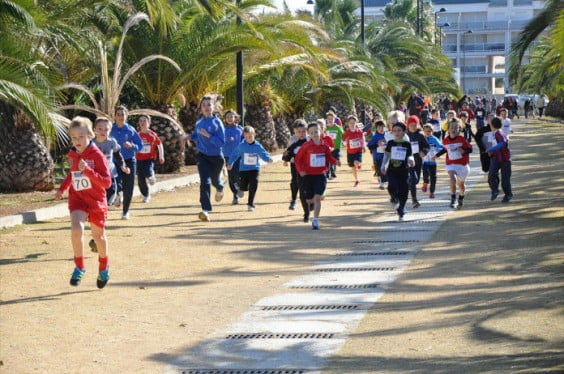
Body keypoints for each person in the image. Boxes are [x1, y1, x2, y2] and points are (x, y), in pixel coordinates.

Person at [55, 117, 112, 288]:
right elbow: (72, 174)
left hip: (96, 200)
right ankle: (79, 267)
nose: (77, 141)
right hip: (78, 198)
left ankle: (104, 267)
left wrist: (87, 171)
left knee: (99, 237)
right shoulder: (72, 154)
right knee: (76, 230)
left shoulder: (97, 156)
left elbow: (107, 183)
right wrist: (62, 188)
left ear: (90, 135)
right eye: (73, 137)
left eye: (80, 136)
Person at [90, 117, 130, 253]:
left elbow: (118, 155)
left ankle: (98, 235)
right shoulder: (90, 144)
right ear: (94, 130)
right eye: (100, 129)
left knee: (105, 206)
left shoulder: (112, 142)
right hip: (95, 180)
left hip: (110, 177)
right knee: (97, 209)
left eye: (106, 129)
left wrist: (123, 166)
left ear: (110, 130)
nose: (103, 131)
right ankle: (97, 237)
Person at [185, 95, 226, 222]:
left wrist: (208, 136)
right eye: (204, 105)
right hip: (202, 156)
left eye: (209, 105)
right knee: (205, 182)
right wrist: (188, 137)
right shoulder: (199, 122)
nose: (206, 107)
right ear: (201, 108)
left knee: (215, 181)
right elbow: (198, 136)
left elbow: (221, 142)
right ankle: (205, 210)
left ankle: (220, 186)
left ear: (213, 107)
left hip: (216, 157)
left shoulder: (217, 123)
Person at [294, 122, 339, 229]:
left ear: (321, 131)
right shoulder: (306, 146)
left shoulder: (325, 146)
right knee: (309, 199)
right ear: (309, 134)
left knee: (317, 197)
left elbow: (328, 157)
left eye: (316, 131)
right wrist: (300, 170)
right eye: (312, 132)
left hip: (321, 175)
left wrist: (335, 161)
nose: (315, 134)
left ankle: (315, 220)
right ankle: (311, 204)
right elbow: (297, 160)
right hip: (308, 175)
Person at [227, 126, 273, 211]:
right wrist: (230, 163)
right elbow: (234, 154)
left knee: (254, 184)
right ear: (244, 137)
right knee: (244, 187)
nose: (249, 139)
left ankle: (250, 203)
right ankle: (240, 188)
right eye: (247, 137)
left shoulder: (257, 146)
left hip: (254, 169)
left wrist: (268, 159)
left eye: (251, 136)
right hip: (244, 169)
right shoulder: (241, 146)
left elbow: (263, 153)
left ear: (254, 135)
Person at [110, 105, 143, 220]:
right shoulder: (110, 129)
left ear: (126, 116)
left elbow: (140, 145)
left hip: (129, 161)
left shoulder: (130, 130)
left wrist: (132, 145)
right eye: (118, 114)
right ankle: (117, 195)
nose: (120, 117)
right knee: (115, 183)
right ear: (114, 116)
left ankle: (125, 211)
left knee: (129, 187)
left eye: (123, 114)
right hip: (114, 162)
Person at [381, 122, 415, 220]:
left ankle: (401, 210)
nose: (397, 133)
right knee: (392, 187)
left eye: (399, 130)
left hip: (404, 170)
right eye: (395, 131)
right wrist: (383, 166)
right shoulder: (391, 143)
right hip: (392, 169)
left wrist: (411, 160)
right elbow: (386, 155)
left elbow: (410, 155)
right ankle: (394, 198)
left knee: (404, 191)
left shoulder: (407, 144)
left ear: (404, 132)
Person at [436, 119, 473, 209]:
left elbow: (470, 149)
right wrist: (436, 155)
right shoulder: (445, 140)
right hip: (451, 164)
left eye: (456, 128)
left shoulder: (462, 139)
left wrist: (464, 151)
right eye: (451, 127)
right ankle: (453, 199)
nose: (453, 129)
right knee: (452, 179)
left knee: (461, 185)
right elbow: (445, 149)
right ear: (448, 129)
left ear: (459, 129)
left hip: (463, 165)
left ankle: (461, 197)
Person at [282, 120, 309, 221]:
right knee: (299, 188)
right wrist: (285, 158)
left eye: (303, 131)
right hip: (297, 168)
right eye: (299, 131)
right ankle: (305, 213)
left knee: (311, 190)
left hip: (311, 170)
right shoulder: (294, 143)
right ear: (295, 132)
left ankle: (312, 204)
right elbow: (287, 153)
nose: (301, 134)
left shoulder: (311, 141)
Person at [136, 114, 164, 203]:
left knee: (147, 171)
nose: (142, 122)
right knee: (140, 179)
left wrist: (161, 156)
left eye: (145, 120)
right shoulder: (137, 135)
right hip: (139, 159)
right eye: (141, 121)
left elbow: (159, 145)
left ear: (149, 123)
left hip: (149, 158)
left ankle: (151, 176)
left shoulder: (152, 135)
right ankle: (146, 195)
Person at [487, 116, 513, 203]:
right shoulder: (492, 134)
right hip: (495, 158)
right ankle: (495, 190)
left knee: (505, 180)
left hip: (505, 159)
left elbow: (502, 143)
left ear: (492, 125)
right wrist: (490, 151)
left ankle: (508, 195)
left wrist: (491, 149)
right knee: (491, 176)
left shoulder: (500, 133)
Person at [406, 115, 430, 208]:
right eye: (411, 125)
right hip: (408, 161)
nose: (413, 127)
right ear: (408, 125)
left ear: (418, 125)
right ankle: (414, 200)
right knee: (413, 179)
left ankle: (406, 184)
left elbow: (427, 146)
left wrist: (424, 152)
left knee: (415, 181)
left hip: (418, 160)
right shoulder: (405, 135)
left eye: (415, 125)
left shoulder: (420, 135)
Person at [223, 109, 244, 204]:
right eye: (227, 117)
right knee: (231, 176)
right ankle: (235, 195)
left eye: (231, 116)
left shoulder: (240, 129)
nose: (230, 118)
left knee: (237, 174)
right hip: (227, 156)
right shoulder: (222, 130)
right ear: (225, 119)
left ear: (235, 118)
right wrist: (227, 139)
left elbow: (246, 140)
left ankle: (239, 187)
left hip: (239, 156)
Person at [342, 115, 365, 187]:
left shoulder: (359, 132)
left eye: (353, 123)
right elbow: (343, 142)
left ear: (356, 123)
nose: (352, 124)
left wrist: (364, 146)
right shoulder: (347, 133)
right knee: (353, 167)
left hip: (358, 151)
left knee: (356, 162)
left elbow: (362, 139)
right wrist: (346, 142)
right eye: (350, 123)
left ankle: (358, 164)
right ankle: (357, 180)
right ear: (348, 124)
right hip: (350, 152)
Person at [421, 124, 443, 198]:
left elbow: (441, 147)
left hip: (433, 162)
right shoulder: (422, 139)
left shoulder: (434, 139)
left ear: (432, 131)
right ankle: (425, 183)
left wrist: (437, 151)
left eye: (429, 131)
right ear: (423, 131)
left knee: (433, 178)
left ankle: (431, 192)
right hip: (425, 161)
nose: (428, 133)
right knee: (425, 175)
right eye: (426, 131)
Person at [367, 120, 388, 189]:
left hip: (387, 156)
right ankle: (381, 181)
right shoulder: (375, 137)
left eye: (382, 127)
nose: (381, 129)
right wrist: (377, 145)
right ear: (376, 129)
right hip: (378, 157)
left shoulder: (388, 135)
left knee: (385, 169)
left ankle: (383, 182)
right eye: (379, 127)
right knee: (379, 170)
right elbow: (369, 146)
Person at [325, 111, 344, 179]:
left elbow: (343, 134)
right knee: (329, 160)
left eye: (331, 119)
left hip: (336, 147)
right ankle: (329, 173)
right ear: (326, 120)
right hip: (328, 147)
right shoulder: (325, 128)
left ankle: (333, 171)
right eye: (329, 119)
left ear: (334, 120)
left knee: (335, 159)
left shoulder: (338, 127)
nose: (330, 120)